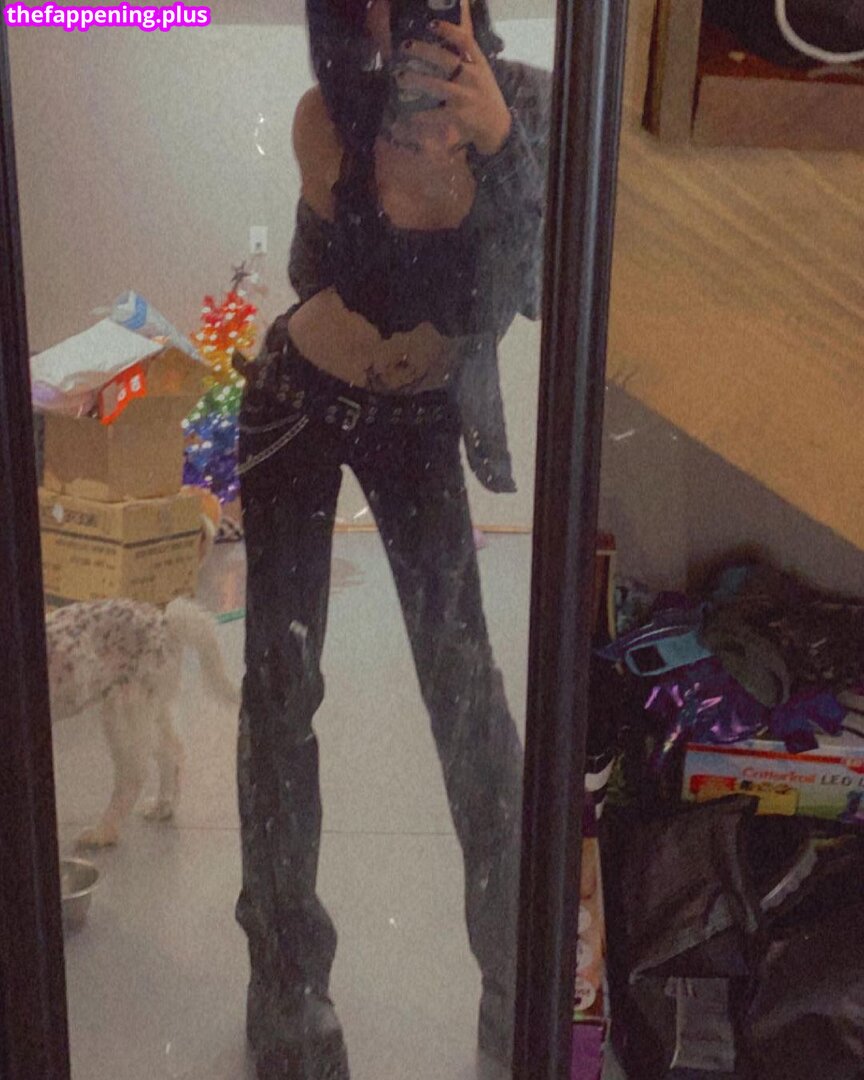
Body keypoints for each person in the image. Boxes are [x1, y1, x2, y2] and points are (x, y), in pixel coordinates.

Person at [235, 2, 550, 1076]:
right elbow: (338, 283)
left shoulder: (530, 106)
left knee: (469, 696)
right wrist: (381, 153)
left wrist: (497, 145)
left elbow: (544, 290)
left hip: (418, 426)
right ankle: (287, 992)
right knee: (280, 693)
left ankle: (520, 991)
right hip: (296, 404)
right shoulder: (324, 115)